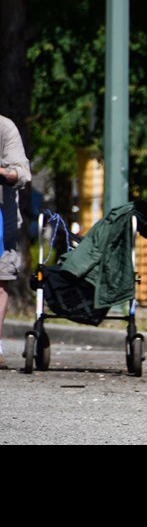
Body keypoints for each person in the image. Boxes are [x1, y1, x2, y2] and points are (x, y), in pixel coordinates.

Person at [0, 115, 30, 369]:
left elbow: (21, 173)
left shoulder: (4, 127)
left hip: (1, 219)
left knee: (0, 283)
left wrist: (3, 172)